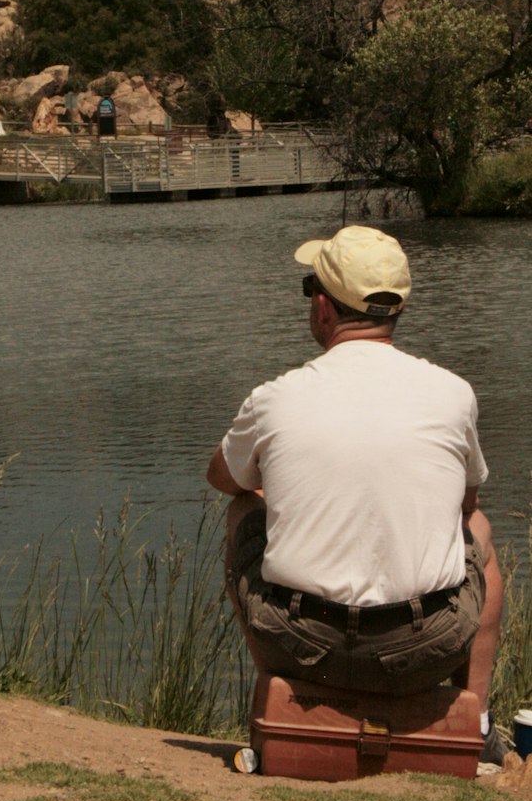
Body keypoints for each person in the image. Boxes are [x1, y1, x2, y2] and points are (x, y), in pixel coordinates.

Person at [206, 224, 506, 764]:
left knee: (242, 510)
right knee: (479, 533)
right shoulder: (453, 394)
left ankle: (280, 699)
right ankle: (477, 724)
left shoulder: (276, 397)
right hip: (424, 649)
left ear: (322, 307)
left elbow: (223, 479)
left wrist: (285, 486)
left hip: (301, 646)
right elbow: (467, 509)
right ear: (398, 310)